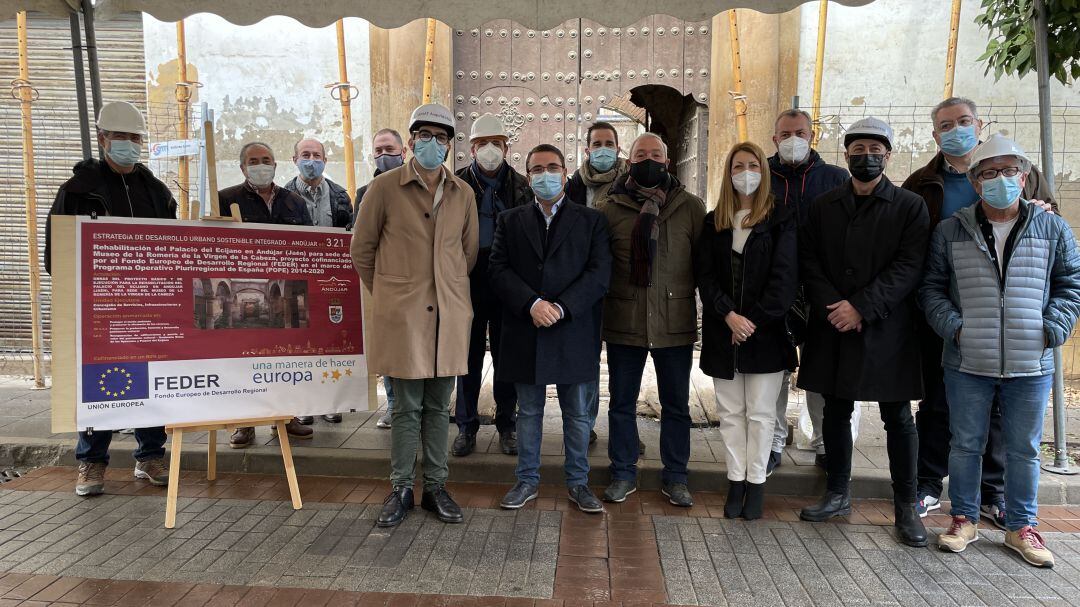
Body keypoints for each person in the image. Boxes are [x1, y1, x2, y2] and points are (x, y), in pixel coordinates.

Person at [921, 135, 1080, 568]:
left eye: (1009, 171)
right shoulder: (952, 229)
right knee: (966, 444)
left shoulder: (1052, 227)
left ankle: (1022, 527)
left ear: (1024, 177)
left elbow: (1071, 285)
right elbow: (932, 289)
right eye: (989, 173)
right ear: (975, 183)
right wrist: (954, 329)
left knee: (1024, 448)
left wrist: (1053, 329)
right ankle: (963, 519)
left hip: (1032, 362)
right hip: (967, 361)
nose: (1000, 180)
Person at [903, 97, 1059, 524]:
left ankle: (993, 493)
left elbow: (1052, 242)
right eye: (947, 125)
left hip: (1011, 323)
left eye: (964, 122)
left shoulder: (1022, 173)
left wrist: (1050, 325)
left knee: (995, 416)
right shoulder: (921, 183)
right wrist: (946, 321)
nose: (957, 130)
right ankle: (929, 485)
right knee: (937, 404)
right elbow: (915, 255)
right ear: (936, 136)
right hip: (947, 320)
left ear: (980, 123)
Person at [797, 117, 930, 548]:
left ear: (888, 156)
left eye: (875, 150)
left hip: (887, 327)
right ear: (846, 154)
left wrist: (862, 307)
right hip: (834, 323)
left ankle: (906, 506)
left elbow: (909, 266)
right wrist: (835, 308)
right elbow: (809, 262)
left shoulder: (910, 206)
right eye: (858, 150)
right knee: (835, 411)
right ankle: (837, 492)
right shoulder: (823, 206)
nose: (866, 157)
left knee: (898, 418)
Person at [351, 103, 478, 528]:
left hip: (448, 315)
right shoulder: (384, 189)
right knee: (405, 407)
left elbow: (468, 252)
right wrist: (392, 292)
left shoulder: (463, 193)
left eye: (441, 137)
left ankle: (436, 488)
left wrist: (447, 289)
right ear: (411, 141)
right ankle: (402, 487)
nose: (432, 143)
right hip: (403, 318)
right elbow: (361, 250)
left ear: (449, 145)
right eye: (424, 135)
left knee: (441, 407)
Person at [45, 101, 176, 497]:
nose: (129, 145)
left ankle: (150, 454)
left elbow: (172, 248)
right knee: (99, 385)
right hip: (98, 311)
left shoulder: (156, 191)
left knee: (150, 383)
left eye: (135, 138)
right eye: (121, 137)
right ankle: (90, 463)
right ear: (103, 138)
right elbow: (57, 253)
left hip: (148, 309)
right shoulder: (77, 191)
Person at [489, 143, 612, 513]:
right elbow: (498, 269)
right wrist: (532, 304)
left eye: (553, 167)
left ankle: (578, 482)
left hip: (572, 329)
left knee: (577, 413)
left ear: (565, 170)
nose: (546, 174)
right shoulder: (509, 220)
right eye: (538, 168)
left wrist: (561, 307)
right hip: (526, 329)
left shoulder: (592, 220)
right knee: (528, 412)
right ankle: (527, 480)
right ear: (528, 176)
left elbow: (599, 273)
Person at [597, 133, 706, 507]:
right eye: (640, 154)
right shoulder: (610, 208)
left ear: (667, 160)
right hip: (625, 319)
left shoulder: (690, 207)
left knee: (676, 405)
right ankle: (623, 471)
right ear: (630, 162)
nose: (648, 160)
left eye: (655, 154)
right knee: (621, 402)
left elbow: (702, 267)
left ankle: (676, 477)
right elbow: (600, 266)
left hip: (673, 322)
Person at [696, 142, 798, 520]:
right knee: (730, 414)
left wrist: (750, 320)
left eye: (752, 165)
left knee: (760, 414)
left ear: (763, 170)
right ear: (728, 173)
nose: (745, 172)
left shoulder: (781, 218)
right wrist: (729, 316)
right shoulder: (714, 221)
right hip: (725, 334)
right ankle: (734, 480)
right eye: (738, 165)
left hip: (766, 335)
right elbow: (705, 277)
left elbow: (784, 281)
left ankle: (756, 483)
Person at [767, 109, 848, 474]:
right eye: (785, 133)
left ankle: (826, 443)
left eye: (800, 132)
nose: (792, 139)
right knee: (774, 368)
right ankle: (772, 442)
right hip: (772, 288)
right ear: (774, 139)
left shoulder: (835, 179)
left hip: (824, 289)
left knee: (821, 370)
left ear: (812, 136)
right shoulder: (761, 175)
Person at [218, 142, 315, 447]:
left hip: (285, 293)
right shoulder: (226, 199)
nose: (261, 165)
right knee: (244, 361)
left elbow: (307, 247)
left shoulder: (294, 203)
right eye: (254, 160)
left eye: (266, 160)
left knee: (284, 360)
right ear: (243, 166)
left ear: (276, 164)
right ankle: (245, 424)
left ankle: (285, 419)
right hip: (242, 292)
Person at [451, 113, 530, 457]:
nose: (489, 151)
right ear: (471, 148)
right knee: (466, 358)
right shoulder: (455, 184)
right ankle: (466, 427)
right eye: (483, 144)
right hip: (467, 277)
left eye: (496, 144)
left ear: (506, 147)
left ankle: (506, 425)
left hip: (506, 279)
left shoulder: (522, 187)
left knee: (506, 356)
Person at [566, 121, 630, 446]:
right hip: (585, 286)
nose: (603, 149)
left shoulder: (632, 184)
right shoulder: (573, 185)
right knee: (586, 360)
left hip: (622, 285)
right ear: (587, 149)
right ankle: (584, 425)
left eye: (609, 143)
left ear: (618, 148)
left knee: (621, 364)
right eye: (597, 143)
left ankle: (623, 431)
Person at [284, 137, 354, 424]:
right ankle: (303, 405)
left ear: (325, 160)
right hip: (295, 282)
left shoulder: (339, 196)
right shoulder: (283, 196)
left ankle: (329, 402)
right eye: (305, 154)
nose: (311, 160)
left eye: (316, 155)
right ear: (295, 159)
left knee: (329, 343)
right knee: (299, 345)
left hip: (330, 283)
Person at [349, 128, 407, 429]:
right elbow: (361, 244)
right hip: (385, 283)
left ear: (403, 152)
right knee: (390, 349)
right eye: (378, 150)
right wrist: (377, 285)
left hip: (416, 283)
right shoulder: (366, 193)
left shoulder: (421, 185)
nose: (384, 155)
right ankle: (394, 405)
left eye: (389, 149)